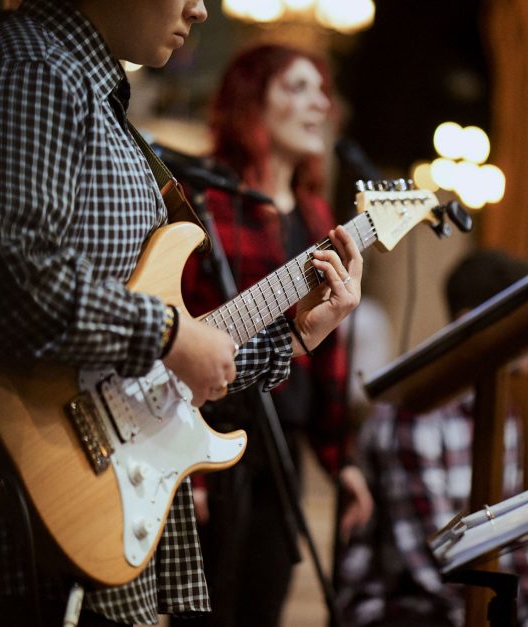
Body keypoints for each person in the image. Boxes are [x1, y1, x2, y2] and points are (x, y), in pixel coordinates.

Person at [0, 2, 363, 626]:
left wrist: (290, 335)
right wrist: (172, 334)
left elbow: (134, 367)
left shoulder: (86, 92)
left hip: (66, 532)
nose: (200, 9)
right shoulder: (30, 69)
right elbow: (6, 273)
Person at [172, 43, 374, 627]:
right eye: (296, 87)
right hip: (209, 435)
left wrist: (344, 462)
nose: (319, 105)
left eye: (321, 91)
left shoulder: (317, 219)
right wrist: (186, 465)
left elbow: (328, 349)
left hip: (282, 443)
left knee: (265, 604)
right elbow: (178, 322)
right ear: (249, 101)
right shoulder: (204, 199)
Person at [337, 249, 528, 627]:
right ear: (471, 322)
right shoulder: (413, 411)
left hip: (466, 602)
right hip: (398, 608)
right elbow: (434, 560)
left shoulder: (504, 412)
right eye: (525, 317)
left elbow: (513, 538)